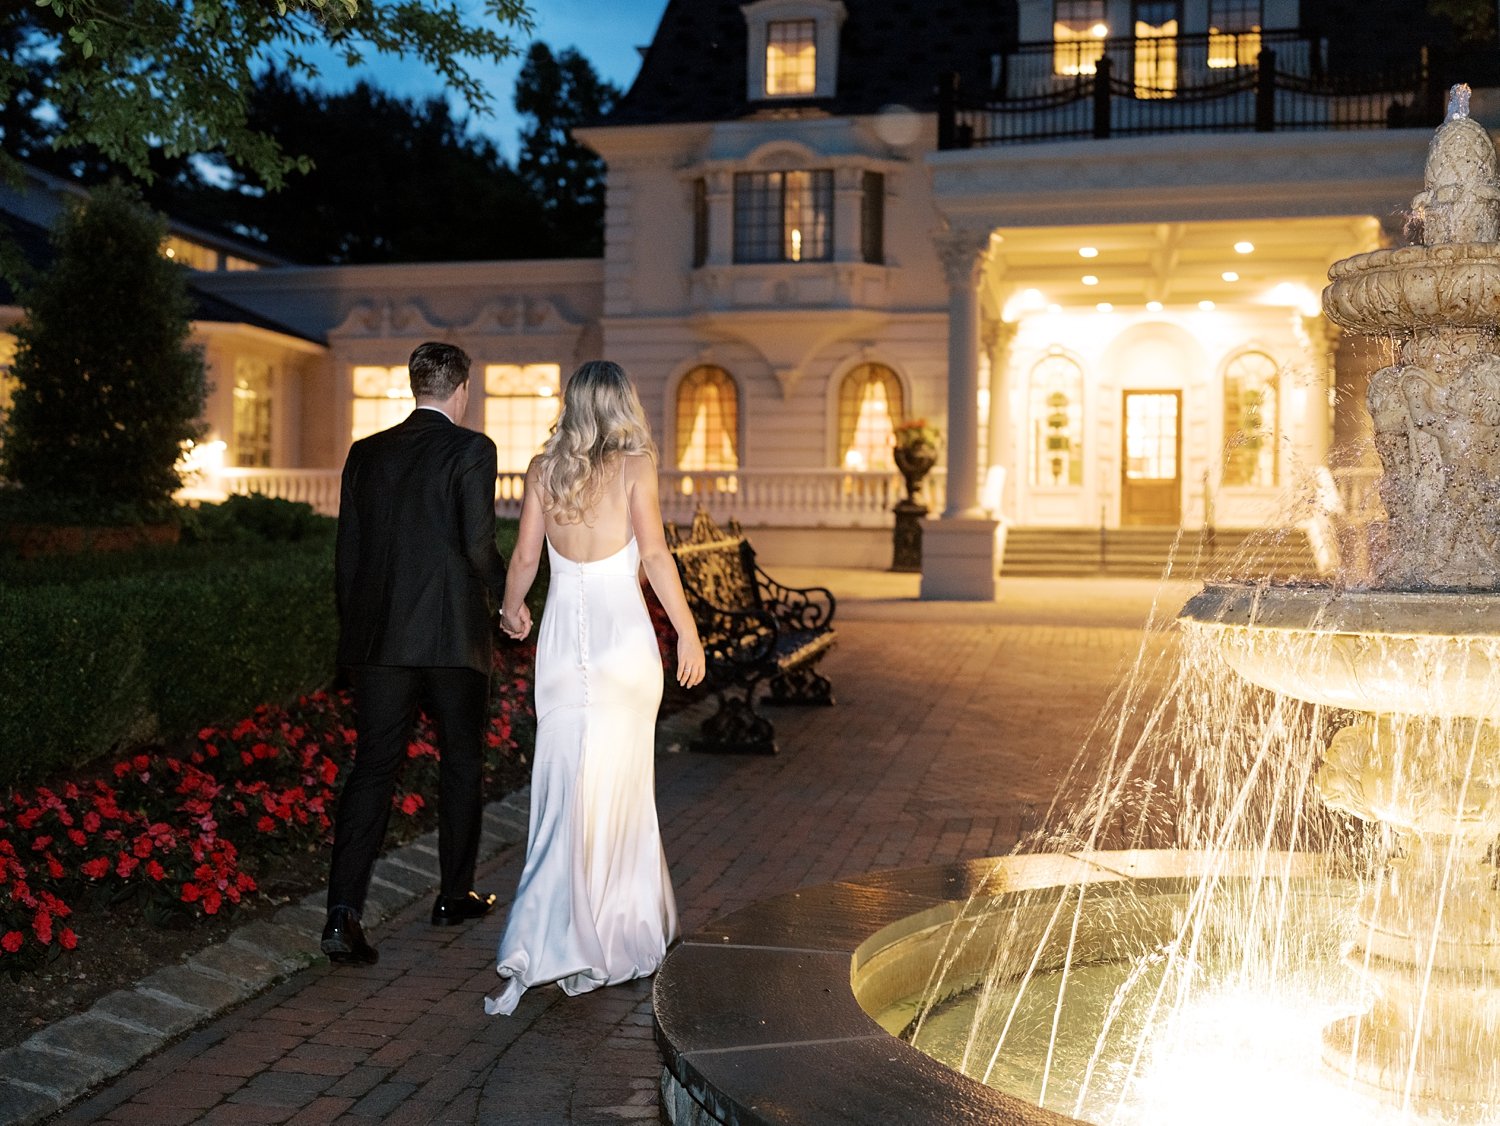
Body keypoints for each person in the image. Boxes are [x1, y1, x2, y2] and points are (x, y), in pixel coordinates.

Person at [484, 359, 705, 1015]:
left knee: (562, 792)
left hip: (559, 652)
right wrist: (688, 632)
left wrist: (510, 609)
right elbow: (657, 555)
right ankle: (615, 930)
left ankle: (554, 932)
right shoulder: (635, 465)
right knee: (619, 791)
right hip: (622, 650)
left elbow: (524, 556)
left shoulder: (542, 468)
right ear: (623, 404)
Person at [322, 341, 509, 966]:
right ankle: (453, 895)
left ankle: (342, 913)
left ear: (414, 386)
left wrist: (355, 636)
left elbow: (348, 555)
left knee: (372, 767)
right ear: (461, 390)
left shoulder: (366, 453)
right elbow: (479, 546)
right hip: (454, 638)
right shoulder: (471, 449)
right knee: (460, 763)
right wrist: (512, 597)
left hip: (380, 642)